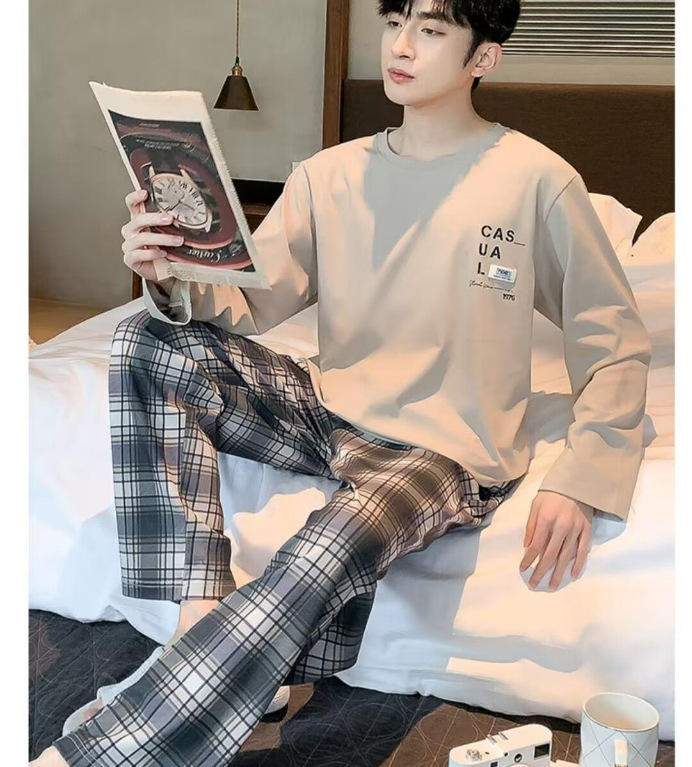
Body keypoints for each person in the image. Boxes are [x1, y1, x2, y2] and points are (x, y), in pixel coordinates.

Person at [32, 0, 652, 764]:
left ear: (483, 57)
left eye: (432, 30)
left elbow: (614, 341)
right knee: (148, 338)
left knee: (324, 549)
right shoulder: (327, 174)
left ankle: (99, 752)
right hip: (329, 411)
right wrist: (168, 274)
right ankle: (199, 613)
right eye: (395, 23)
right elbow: (252, 305)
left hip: (447, 451)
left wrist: (585, 476)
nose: (402, 46)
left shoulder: (538, 182)